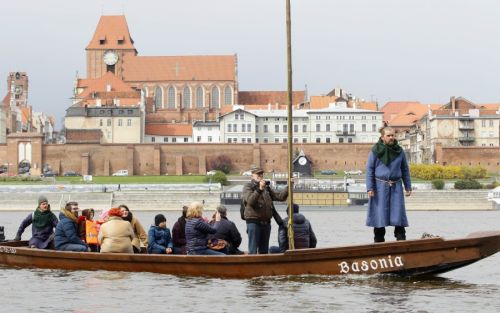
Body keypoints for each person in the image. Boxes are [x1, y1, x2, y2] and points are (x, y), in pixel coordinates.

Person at [366, 126, 412, 242]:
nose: (391, 138)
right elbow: (370, 170)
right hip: (379, 188)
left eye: (393, 135)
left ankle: (401, 242)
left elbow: (405, 169)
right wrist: (370, 188)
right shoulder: (375, 151)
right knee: (380, 217)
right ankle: (379, 243)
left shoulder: (399, 151)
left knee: (398, 216)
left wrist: (408, 186)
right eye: (388, 136)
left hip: (396, 187)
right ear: (382, 137)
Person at [242, 166, 289, 254]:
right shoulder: (248, 186)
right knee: (253, 250)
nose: (260, 175)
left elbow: (280, 197)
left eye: (261, 174)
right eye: (257, 174)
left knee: (264, 251)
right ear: (252, 175)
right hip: (254, 223)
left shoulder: (266, 188)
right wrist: (259, 189)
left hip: (266, 223)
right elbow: (250, 201)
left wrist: (289, 186)